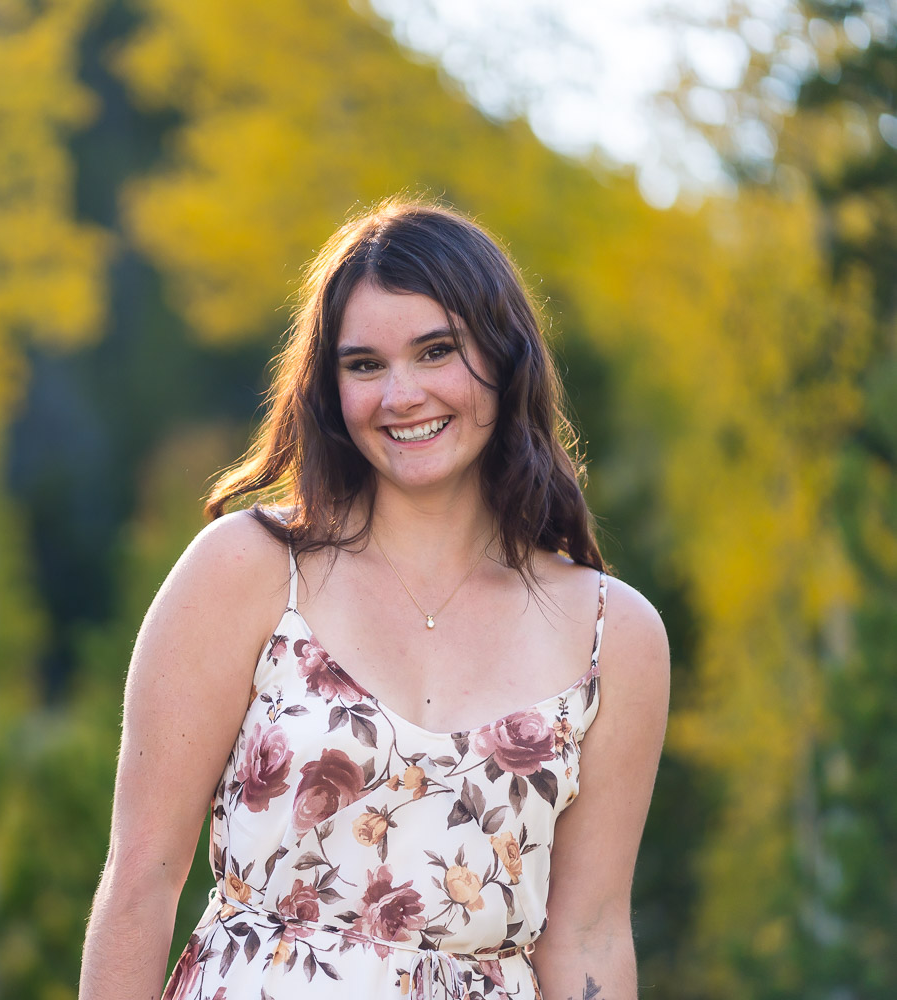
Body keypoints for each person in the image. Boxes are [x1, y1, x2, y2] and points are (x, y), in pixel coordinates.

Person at [78, 198, 670, 1000]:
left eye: (436, 352)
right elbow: (141, 877)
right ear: (330, 388)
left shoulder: (614, 632)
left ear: (505, 360)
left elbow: (590, 934)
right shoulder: (248, 570)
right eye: (364, 365)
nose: (402, 396)